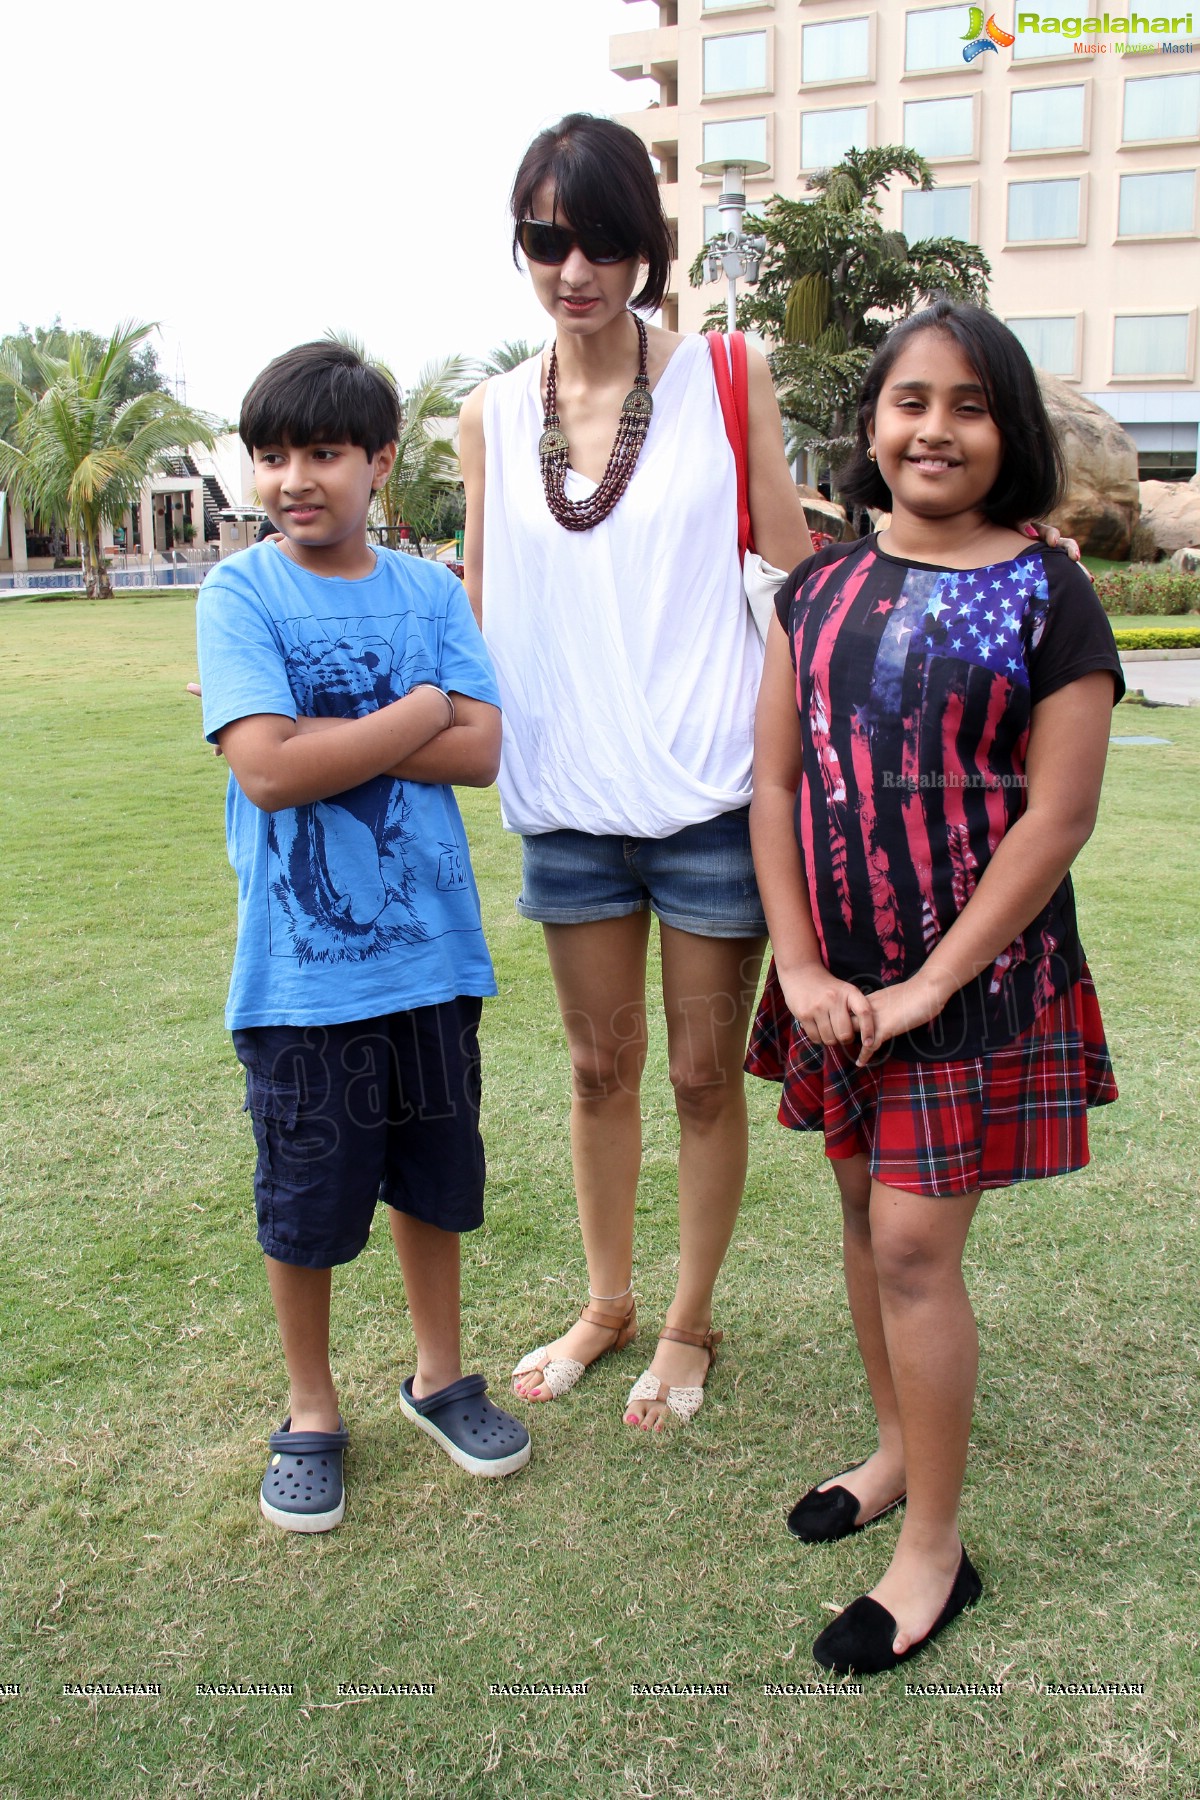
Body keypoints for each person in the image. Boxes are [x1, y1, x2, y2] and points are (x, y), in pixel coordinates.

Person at [746, 300, 1123, 1672]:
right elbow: (778, 780)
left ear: (1009, 431)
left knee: (914, 1248)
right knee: (860, 1213)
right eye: (912, 400)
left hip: (973, 983)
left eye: (970, 405)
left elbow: (1055, 819)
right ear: (871, 424)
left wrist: (924, 986)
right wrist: (796, 962)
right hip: (834, 976)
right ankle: (898, 1449)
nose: (937, 428)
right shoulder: (818, 588)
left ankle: (934, 1555)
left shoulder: (1049, 590)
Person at [457, 113, 815, 1429]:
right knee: (602, 1069)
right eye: (549, 239)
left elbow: (791, 591)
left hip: (713, 797)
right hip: (569, 804)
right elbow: (482, 618)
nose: (576, 268)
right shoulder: (491, 413)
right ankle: (606, 1302)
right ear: (524, 246)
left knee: (700, 1075)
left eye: (605, 240)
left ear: (645, 250)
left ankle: (687, 1323)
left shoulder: (728, 374)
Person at [195, 341, 530, 1532]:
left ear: (380, 463)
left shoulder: (433, 593)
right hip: (297, 980)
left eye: (326, 452)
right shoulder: (240, 595)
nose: (296, 477)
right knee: (307, 1200)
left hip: (433, 961)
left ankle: (440, 1377)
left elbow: (485, 756)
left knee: (434, 1183)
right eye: (273, 453)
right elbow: (271, 773)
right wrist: (421, 707)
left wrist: (340, 732)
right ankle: (312, 1405)